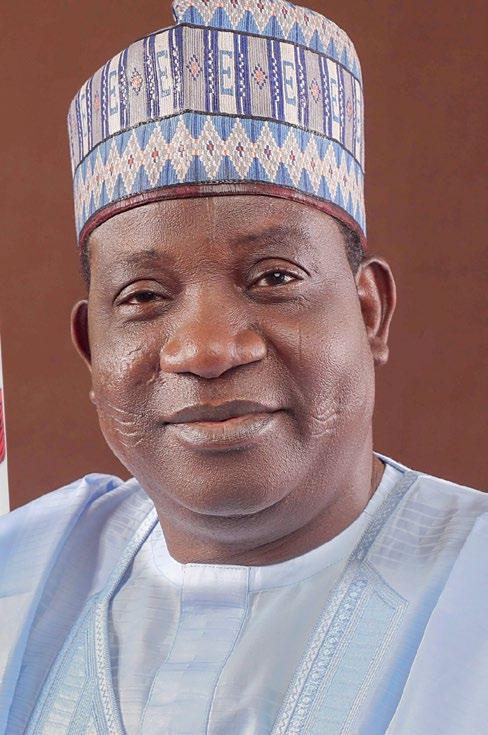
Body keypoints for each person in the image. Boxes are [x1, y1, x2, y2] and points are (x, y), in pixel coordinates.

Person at [1, 1, 486, 733]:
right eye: (143, 296)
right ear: (92, 352)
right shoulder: (22, 576)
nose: (204, 348)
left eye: (275, 277)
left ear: (370, 312)